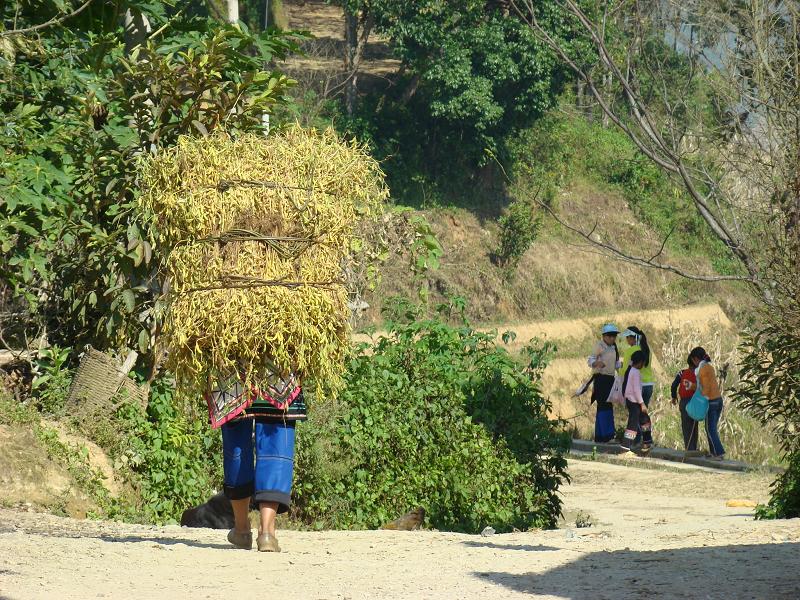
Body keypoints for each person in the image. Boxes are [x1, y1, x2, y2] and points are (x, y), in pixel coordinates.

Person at [208, 368, 307, 552]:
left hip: (235, 365)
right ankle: (267, 532)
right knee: (276, 435)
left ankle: (242, 529)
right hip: (277, 367)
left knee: (236, 439)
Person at [586, 323, 622, 443]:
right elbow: (590, 359)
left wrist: (623, 367)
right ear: (604, 336)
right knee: (603, 405)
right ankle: (607, 435)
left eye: (614, 336)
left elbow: (616, 363)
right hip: (600, 378)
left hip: (610, 379)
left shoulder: (614, 347)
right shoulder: (599, 346)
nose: (612, 338)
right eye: (610, 336)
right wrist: (597, 363)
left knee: (607, 405)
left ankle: (601, 436)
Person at [620, 326, 656, 446]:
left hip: (637, 389)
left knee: (634, 417)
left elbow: (625, 371)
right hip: (649, 385)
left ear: (633, 338)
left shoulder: (631, 351)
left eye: (627, 338)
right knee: (643, 416)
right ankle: (644, 441)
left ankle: (631, 442)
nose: (627, 340)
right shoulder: (647, 348)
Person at [689, 346, 726, 460]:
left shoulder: (703, 369)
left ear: (695, 359)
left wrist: (701, 401)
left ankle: (718, 453)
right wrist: (691, 386)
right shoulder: (708, 367)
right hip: (718, 399)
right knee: (711, 428)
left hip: (711, 401)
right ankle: (713, 452)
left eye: (693, 361)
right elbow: (703, 386)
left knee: (710, 429)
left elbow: (706, 387)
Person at [620, 350, 653, 453]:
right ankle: (625, 447)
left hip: (631, 401)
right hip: (635, 401)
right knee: (633, 424)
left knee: (644, 420)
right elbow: (636, 390)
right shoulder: (636, 372)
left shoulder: (630, 370)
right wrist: (642, 403)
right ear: (640, 362)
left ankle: (647, 443)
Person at [670, 354, 702, 457]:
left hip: (684, 402)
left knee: (686, 426)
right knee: (694, 425)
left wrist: (674, 397)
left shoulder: (682, 373)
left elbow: (674, 385)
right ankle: (693, 448)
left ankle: (689, 448)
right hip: (695, 402)